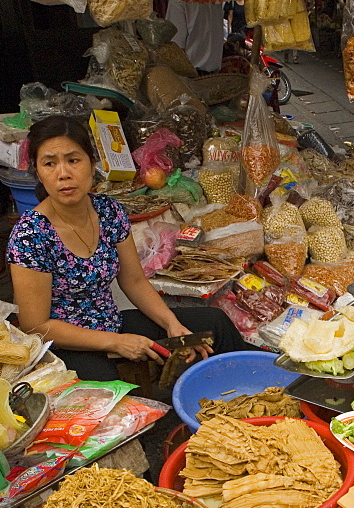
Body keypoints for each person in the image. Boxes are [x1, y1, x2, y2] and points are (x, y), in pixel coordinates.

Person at [7, 117, 245, 380]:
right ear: (38, 172)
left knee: (215, 324)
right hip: (66, 344)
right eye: (49, 163)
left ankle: (252, 394)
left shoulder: (109, 211)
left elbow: (133, 280)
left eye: (73, 160)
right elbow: (36, 326)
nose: (63, 173)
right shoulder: (31, 234)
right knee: (118, 399)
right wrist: (113, 342)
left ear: (92, 163)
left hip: (113, 323)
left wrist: (171, 324)